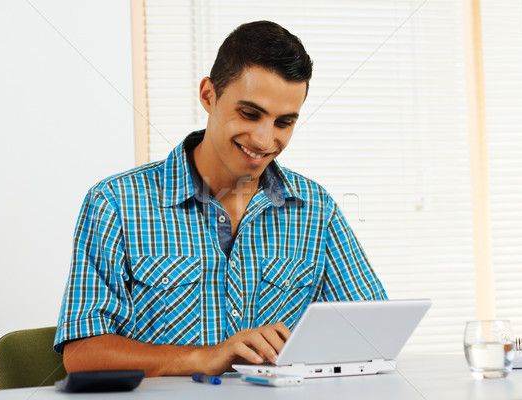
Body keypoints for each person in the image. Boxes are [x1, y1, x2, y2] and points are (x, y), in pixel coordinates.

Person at [53, 20, 386, 377]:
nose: (263, 139)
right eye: (250, 113)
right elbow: (82, 354)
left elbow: (375, 334)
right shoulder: (116, 203)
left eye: (284, 122)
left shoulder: (316, 209)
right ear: (208, 96)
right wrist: (204, 357)